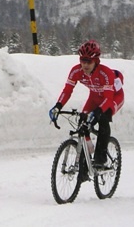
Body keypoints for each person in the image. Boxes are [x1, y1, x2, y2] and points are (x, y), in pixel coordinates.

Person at [49, 40, 124, 169]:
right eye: (82, 60)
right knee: (82, 120)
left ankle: (101, 158)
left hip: (113, 98)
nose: (85, 65)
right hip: (94, 97)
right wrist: (58, 106)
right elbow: (67, 91)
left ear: (96, 61)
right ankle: (86, 161)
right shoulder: (76, 71)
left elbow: (108, 98)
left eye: (89, 61)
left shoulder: (105, 73)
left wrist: (98, 112)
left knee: (103, 118)